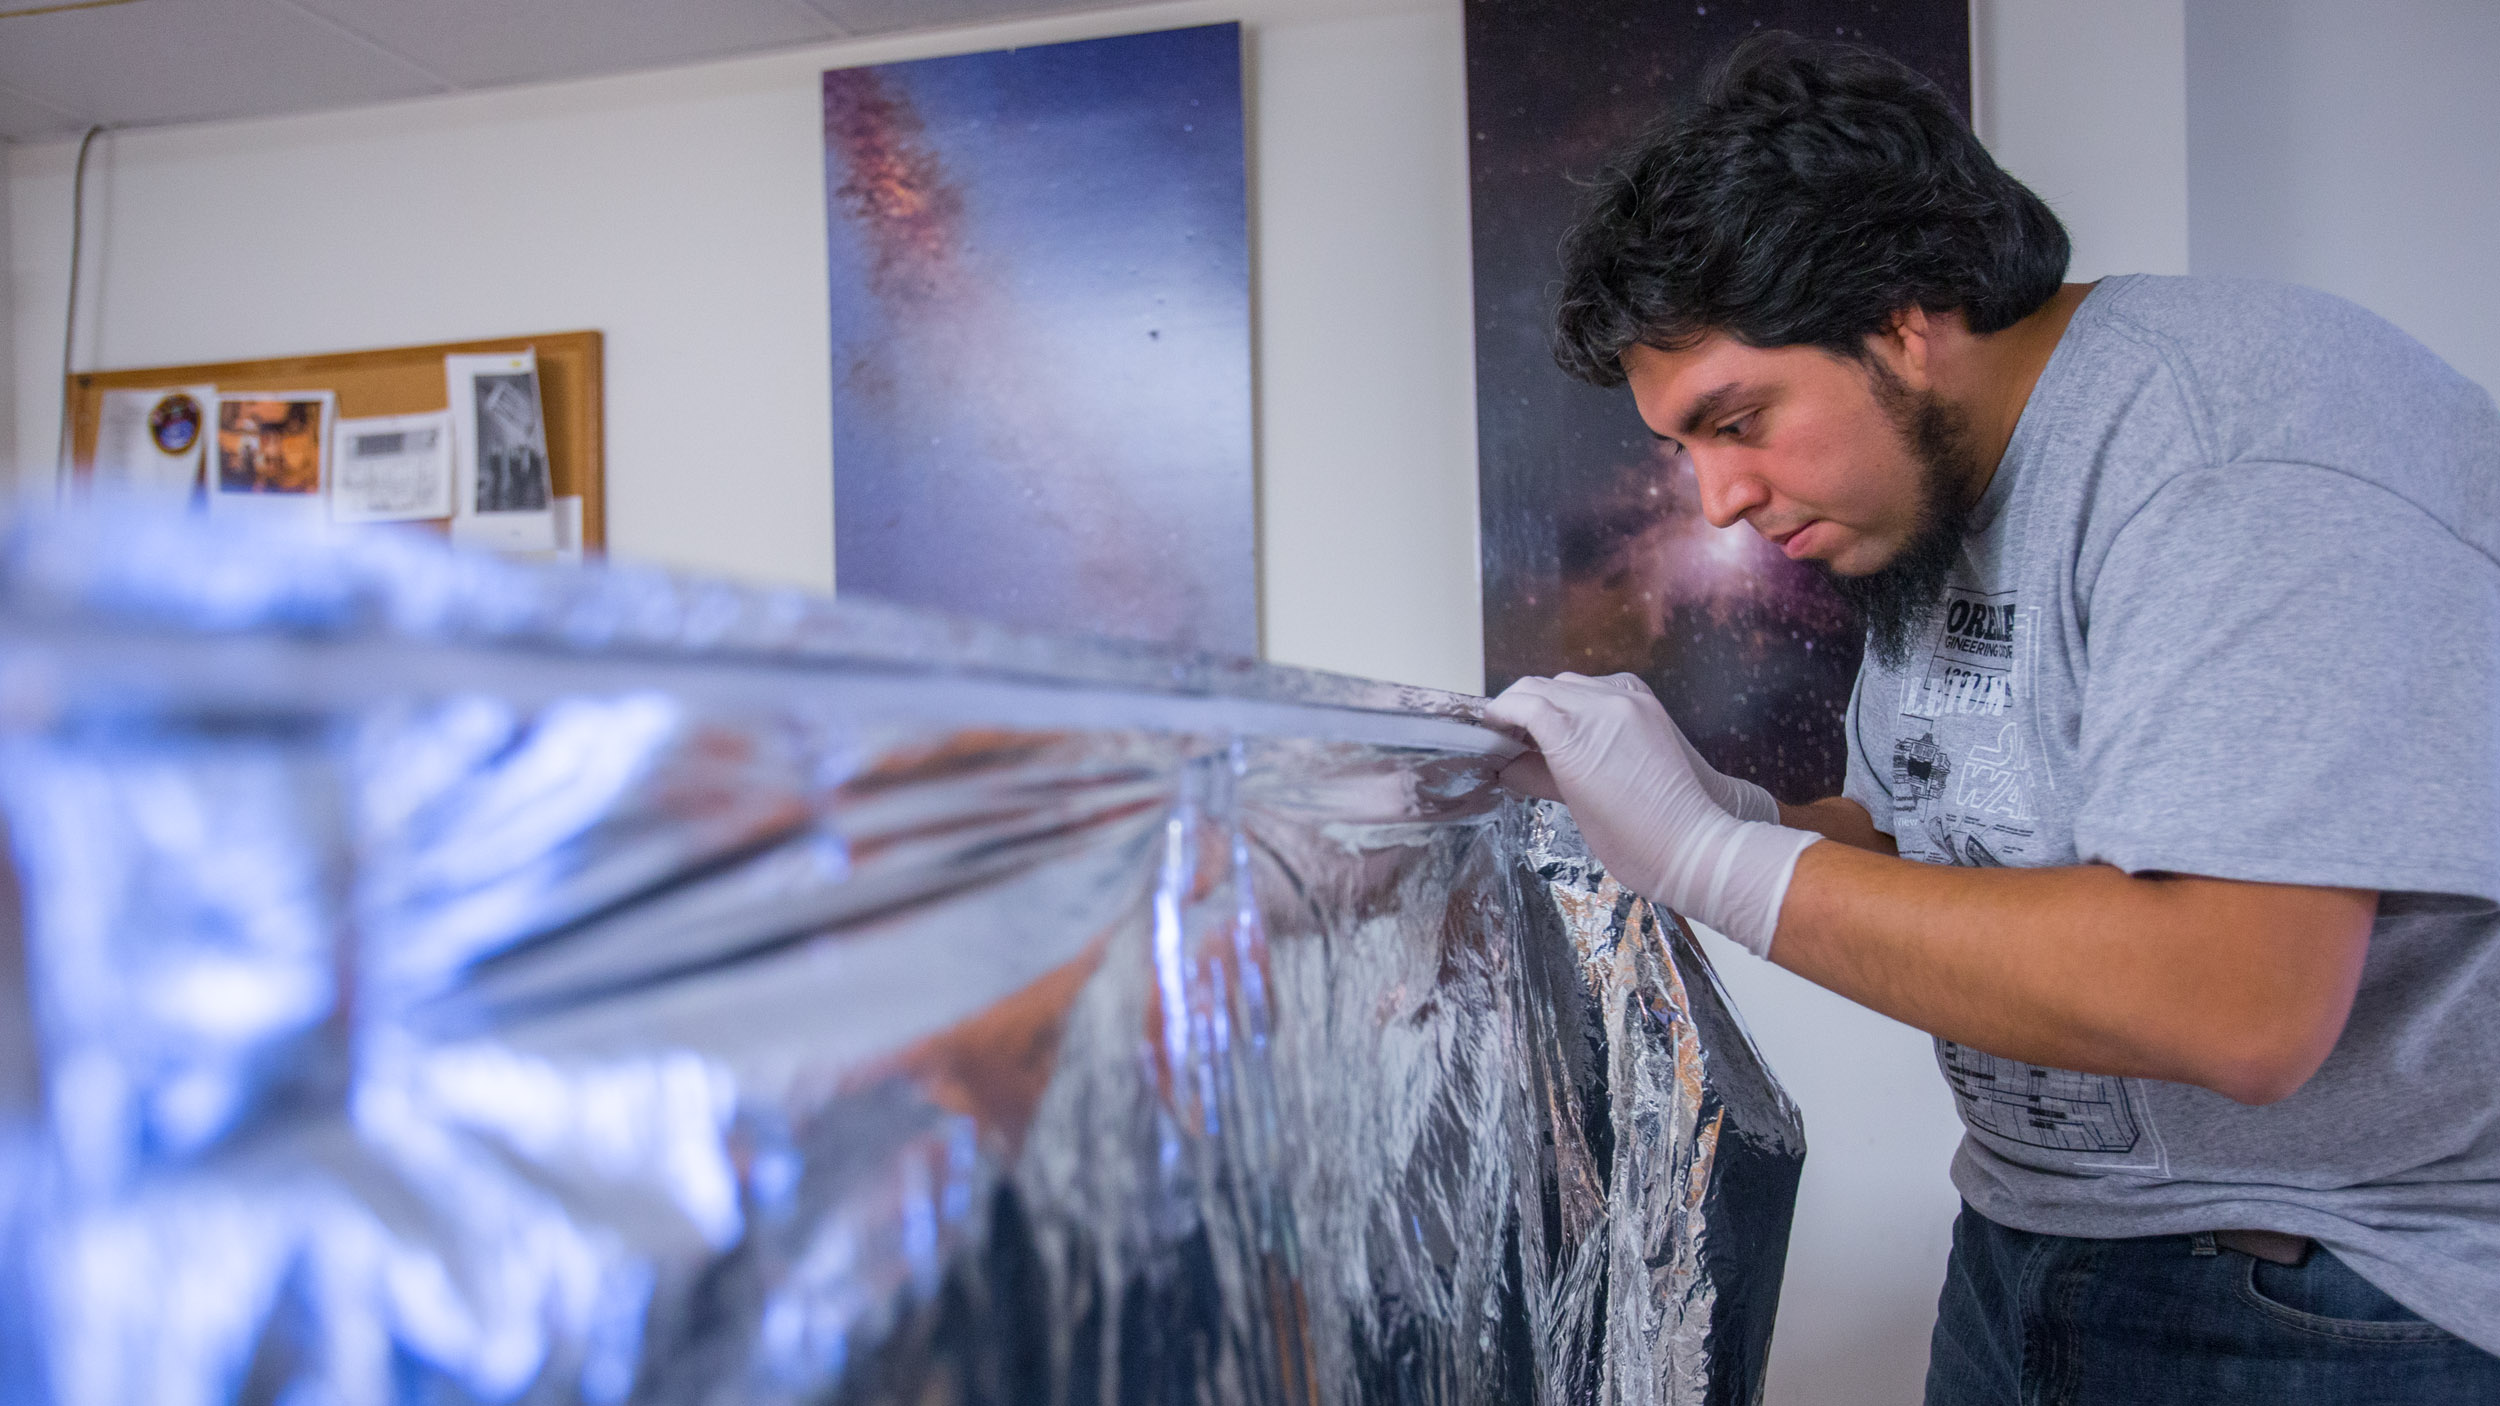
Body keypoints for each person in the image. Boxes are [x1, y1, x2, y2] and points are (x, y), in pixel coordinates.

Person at [1484, 33, 2500, 1405]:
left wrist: (1714, 863)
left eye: (1739, 418)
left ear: (1905, 315)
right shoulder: (1931, 497)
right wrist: (1749, 820)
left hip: (2326, 1299)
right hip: (2034, 1245)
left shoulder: (2228, 447)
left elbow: (2238, 997)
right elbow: (1943, 840)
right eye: (1684, 446)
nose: (1717, 496)